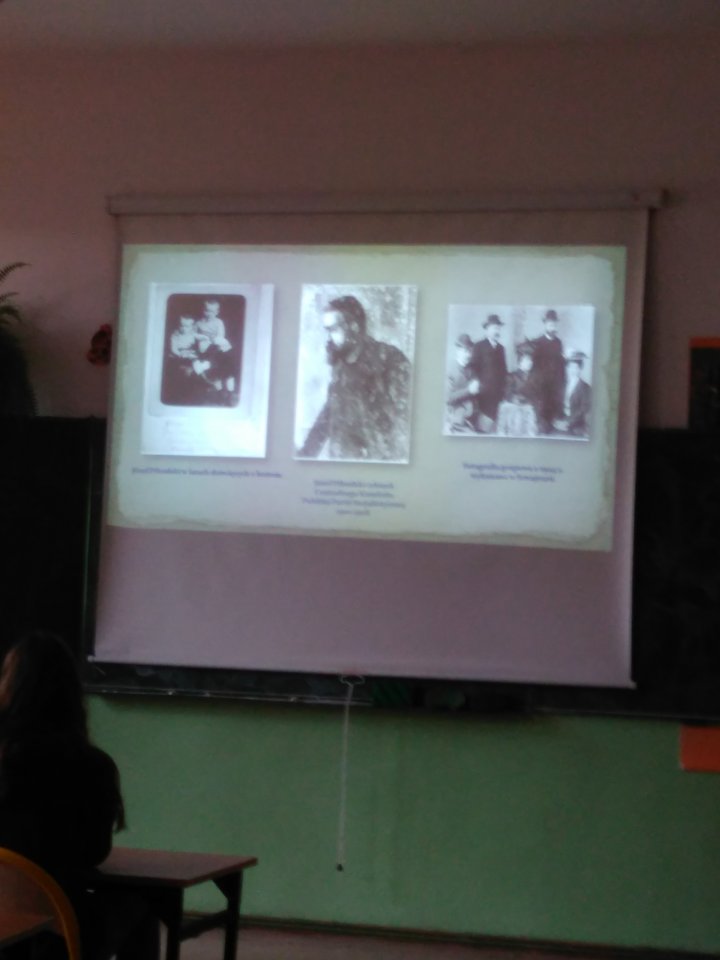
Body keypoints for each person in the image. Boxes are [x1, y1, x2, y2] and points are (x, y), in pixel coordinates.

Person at [0, 632, 159, 960]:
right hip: (64, 928)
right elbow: (95, 851)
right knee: (144, 905)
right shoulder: (93, 767)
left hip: (6, 926)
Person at [297, 295, 411, 461]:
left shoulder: (390, 360)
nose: (329, 338)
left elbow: (406, 417)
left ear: (354, 327)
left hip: (378, 465)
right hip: (341, 463)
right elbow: (330, 411)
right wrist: (306, 454)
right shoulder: (340, 366)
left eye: (333, 329)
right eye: (327, 331)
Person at [468, 314, 508, 432]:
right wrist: (475, 382)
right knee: (482, 426)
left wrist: (505, 390)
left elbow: (504, 371)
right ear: (487, 329)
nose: (497, 331)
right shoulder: (479, 346)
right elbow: (473, 367)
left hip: (498, 394)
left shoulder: (501, 348)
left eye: (499, 328)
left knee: (495, 426)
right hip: (483, 395)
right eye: (495, 328)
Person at [529, 308, 566, 434]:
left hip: (555, 384)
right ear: (545, 325)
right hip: (542, 384)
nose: (552, 326)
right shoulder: (537, 342)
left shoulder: (558, 342)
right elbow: (533, 366)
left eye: (554, 324)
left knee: (554, 413)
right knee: (542, 415)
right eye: (550, 324)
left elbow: (560, 363)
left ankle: (551, 427)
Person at [496, 341, 539, 437]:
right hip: (515, 409)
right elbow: (507, 394)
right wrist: (517, 399)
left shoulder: (534, 377)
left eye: (531, 360)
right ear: (520, 362)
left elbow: (536, 395)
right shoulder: (512, 376)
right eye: (527, 360)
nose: (530, 363)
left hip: (529, 408)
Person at [446, 333, 480, 433]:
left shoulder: (471, 369)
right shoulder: (449, 369)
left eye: (470, 351)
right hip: (456, 420)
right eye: (465, 351)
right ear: (458, 351)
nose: (468, 355)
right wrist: (469, 390)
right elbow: (448, 398)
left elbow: (476, 390)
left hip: (472, 418)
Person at [562, 350, 592, 437]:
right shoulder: (563, 384)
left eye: (575, 367)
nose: (572, 370)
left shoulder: (585, 387)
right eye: (570, 367)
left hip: (577, 427)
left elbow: (583, 410)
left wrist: (569, 422)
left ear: (580, 369)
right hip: (562, 423)